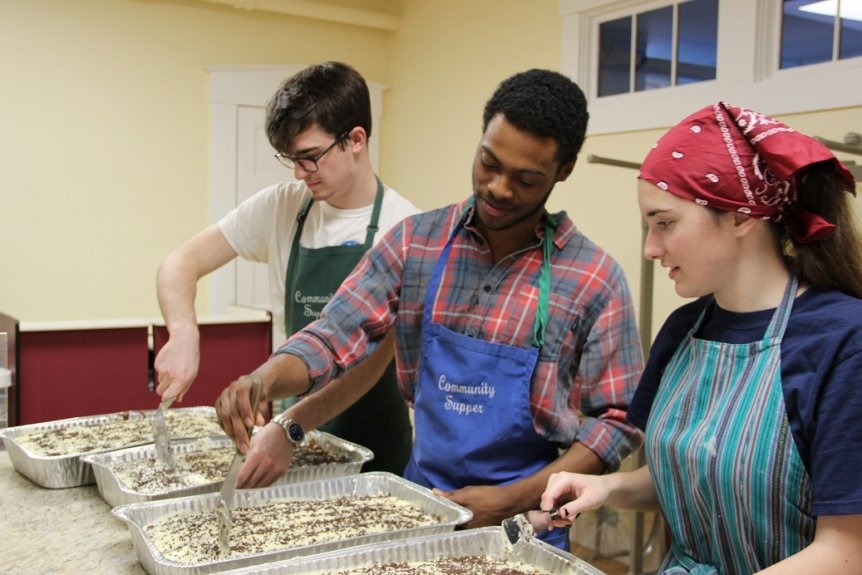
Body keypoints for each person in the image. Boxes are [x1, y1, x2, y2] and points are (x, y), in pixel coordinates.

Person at [215, 68, 645, 551]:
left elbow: (617, 424)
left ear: (562, 171)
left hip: (526, 527)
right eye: (489, 163)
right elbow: (334, 333)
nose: (500, 188)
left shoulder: (592, 279)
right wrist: (264, 381)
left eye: (526, 179)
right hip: (419, 506)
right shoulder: (416, 243)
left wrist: (508, 500)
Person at [539, 102, 862, 572]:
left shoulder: (842, 341)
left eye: (664, 223)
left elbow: (846, 552)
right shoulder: (684, 330)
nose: (650, 248)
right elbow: (697, 475)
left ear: (741, 217)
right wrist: (609, 488)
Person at [154, 61, 419, 475]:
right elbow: (179, 263)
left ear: (355, 139)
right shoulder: (282, 207)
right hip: (293, 439)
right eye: (291, 159)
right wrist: (184, 331)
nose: (299, 173)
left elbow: (371, 365)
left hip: (374, 451)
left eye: (310, 157)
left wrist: (291, 426)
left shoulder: (404, 228)